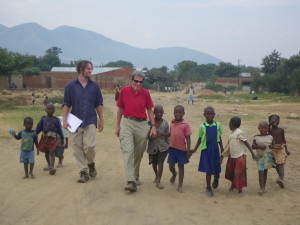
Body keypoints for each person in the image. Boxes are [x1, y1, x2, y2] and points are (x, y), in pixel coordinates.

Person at [63, 60, 104, 183]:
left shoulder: (95, 86)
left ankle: (91, 163)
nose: (90, 71)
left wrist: (101, 120)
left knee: (89, 146)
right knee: (77, 148)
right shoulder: (70, 86)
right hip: (74, 121)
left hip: (90, 120)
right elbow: (66, 104)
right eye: (88, 69)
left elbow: (99, 104)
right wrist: (64, 120)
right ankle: (83, 171)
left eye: (91, 69)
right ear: (81, 70)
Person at [116, 70, 156, 192]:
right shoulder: (124, 91)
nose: (138, 84)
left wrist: (153, 126)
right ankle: (131, 180)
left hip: (142, 124)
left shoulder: (146, 93)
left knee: (139, 152)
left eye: (141, 82)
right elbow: (120, 109)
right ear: (131, 80)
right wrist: (118, 126)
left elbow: (149, 110)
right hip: (127, 122)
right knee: (128, 150)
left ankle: (135, 175)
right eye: (136, 81)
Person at [191, 106, 224, 197]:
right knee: (208, 169)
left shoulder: (218, 125)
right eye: (208, 114)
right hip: (206, 150)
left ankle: (216, 177)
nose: (210, 115)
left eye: (211, 113)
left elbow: (219, 138)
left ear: (214, 114)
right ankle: (208, 187)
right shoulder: (202, 126)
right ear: (204, 115)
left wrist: (222, 149)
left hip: (215, 149)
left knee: (217, 166)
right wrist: (194, 149)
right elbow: (200, 138)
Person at [220, 117, 258, 194]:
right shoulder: (231, 134)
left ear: (231, 124)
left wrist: (253, 154)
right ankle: (233, 185)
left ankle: (240, 188)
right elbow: (228, 146)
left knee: (239, 172)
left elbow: (246, 142)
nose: (229, 125)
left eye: (229, 124)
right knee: (232, 172)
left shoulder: (239, 132)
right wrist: (222, 156)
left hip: (240, 156)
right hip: (232, 156)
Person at [167, 105, 192, 193]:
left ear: (183, 113)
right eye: (176, 112)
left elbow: (188, 138)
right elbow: (170, 134)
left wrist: (188, 150)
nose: (178, 114)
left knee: (181, 166)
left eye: (180, 112)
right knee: (171, 165)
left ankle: (180, 185)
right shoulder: (172, 123)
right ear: (173, 113)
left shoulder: (185, 125)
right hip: (172, 148)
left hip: (181, 150)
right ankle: (174, 174)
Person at [36, 103, 64, 175]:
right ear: (45, 110)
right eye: (48, 108)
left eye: (52, 108)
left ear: (54, 110)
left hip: (52, 139)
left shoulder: (56, 120)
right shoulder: (43, 119)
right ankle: (49, 165)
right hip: (44, 138)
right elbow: (38, 129)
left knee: (52, 152)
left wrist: (62, 138)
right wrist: (33, 135)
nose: (50, 110)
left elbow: (59, 130)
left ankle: (52, 167)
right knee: (46, 153)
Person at [147, 105, 170, 189]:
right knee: (154, 163)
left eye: (161, 112)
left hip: (163, 147)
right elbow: (146, 136)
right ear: (153, 113)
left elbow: (168, 134)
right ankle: (156, 176)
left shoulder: (165, 123)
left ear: (163, 113)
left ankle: (158, 181)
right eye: (157, 112)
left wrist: (161, 135)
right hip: (152, 147)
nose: (159, 114)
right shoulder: (149, 123)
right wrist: (150, 136)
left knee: (160, 163)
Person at [252, 121, 275, 195]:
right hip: (260, 157)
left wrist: (272, 147)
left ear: (268, 128)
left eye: (265, 128)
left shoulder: (270, 137)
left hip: (268, 156)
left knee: (265, 172)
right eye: (261, 128)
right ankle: (261, 188)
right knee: (261, 172)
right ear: (258, 128)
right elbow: (253, 146)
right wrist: (259, 146)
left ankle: (263, 187)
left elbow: (273, 145)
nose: (263, 130)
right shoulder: (256, 137)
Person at [268, 115, 290, 188]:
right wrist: (270, 124)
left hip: (280, 148)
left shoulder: (281, 130)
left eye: (276, 120)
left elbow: (283, 139)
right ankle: (280, 177)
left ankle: (281, 179)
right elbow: (267, 129)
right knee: (276, 164)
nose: (274, 121)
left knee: (280, 163)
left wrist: (286, 149)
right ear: (270, 122)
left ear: (279, 121)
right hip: (273, 149)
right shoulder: (269, 130)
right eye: (272, 120)